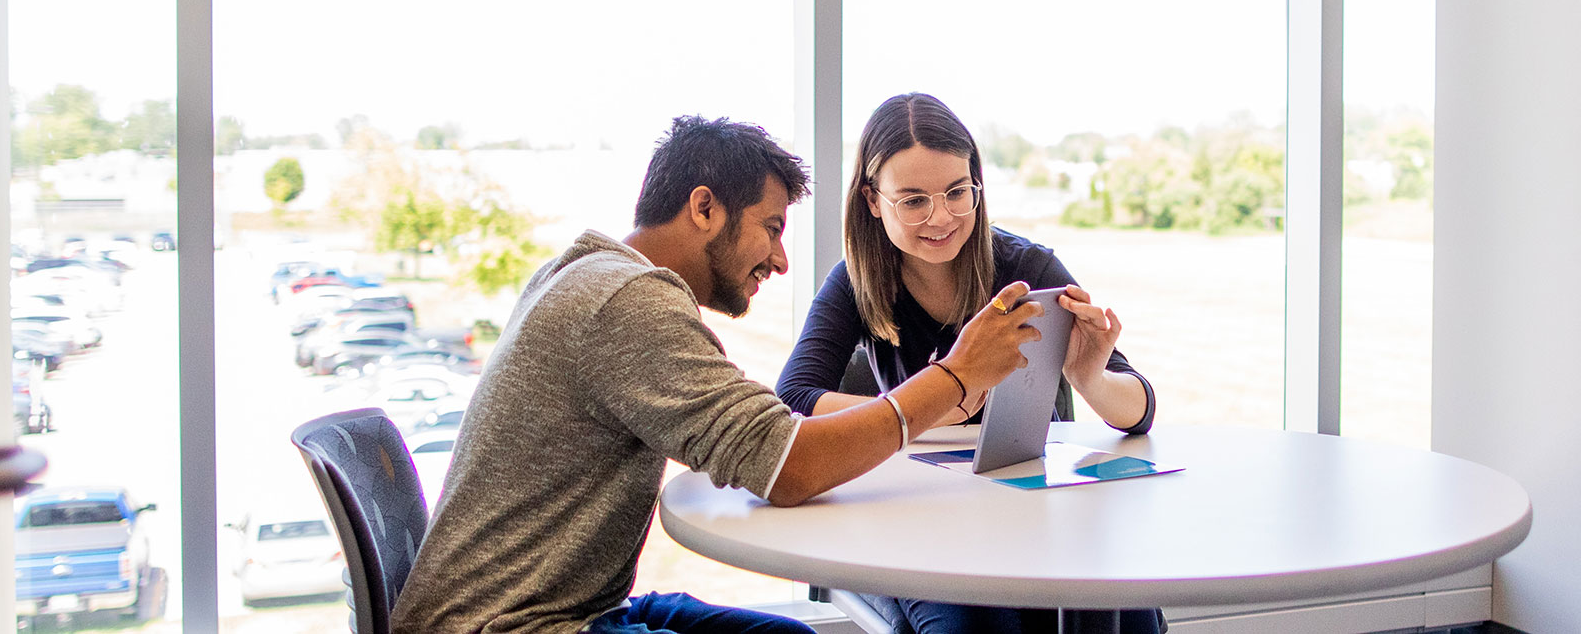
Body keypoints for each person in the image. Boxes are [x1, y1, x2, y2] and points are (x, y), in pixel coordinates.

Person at [392, 114, 1051, 634]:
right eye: (770, 226)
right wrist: (958, 374)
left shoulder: (585, 272)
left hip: (557, 609)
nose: (781, 258)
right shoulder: (627, 302)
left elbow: (761, 436)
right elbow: (788, 467)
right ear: (704, 207)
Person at [775, 92, 1162, 634]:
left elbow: (1137, 410)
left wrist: (1089, 376)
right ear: (871, 200)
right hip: (917, 510)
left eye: (958, 192)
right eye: (913, 201)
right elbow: (793, 400)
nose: (942, 217)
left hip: (1025, 509)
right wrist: (936, 405)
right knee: (977, 623)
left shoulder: (1025, 267)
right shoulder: (854, 282)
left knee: (1123, 613)